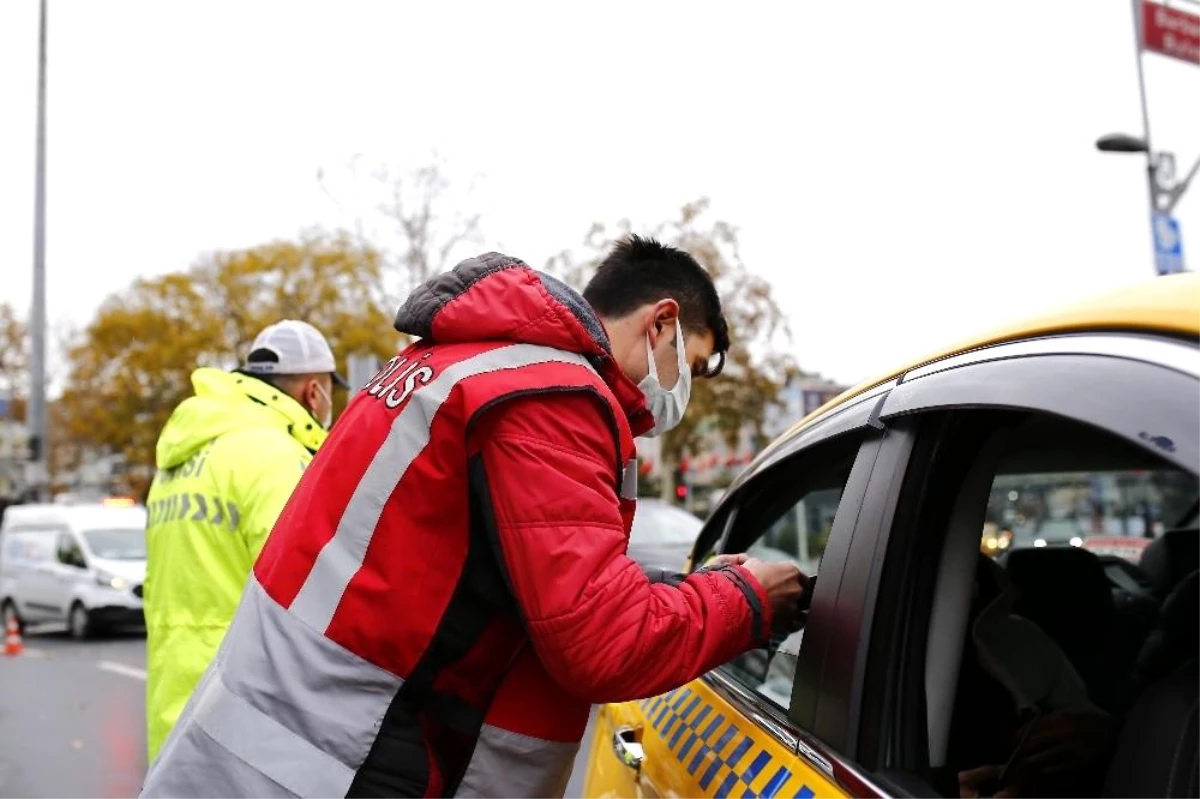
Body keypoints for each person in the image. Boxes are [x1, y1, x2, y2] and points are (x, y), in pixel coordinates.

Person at [141, 238, 808, 799]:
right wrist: (748, 598)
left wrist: (676, 586)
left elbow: (507, 574)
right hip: (342, 754)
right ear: (660, 322)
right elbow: (600, 642)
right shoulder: (552, 396)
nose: (681, 392)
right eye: (688, 366)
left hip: (282, 734)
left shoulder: (459, 362)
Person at [142, 319, 346, 763]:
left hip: (173, 708)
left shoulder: (183, 454)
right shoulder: (276, 456)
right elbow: (309, 594)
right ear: (314, 392)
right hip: (247, 717)